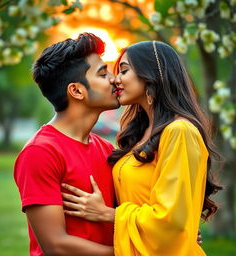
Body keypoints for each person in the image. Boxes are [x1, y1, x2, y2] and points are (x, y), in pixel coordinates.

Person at [61, 41, 222, 256]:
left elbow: (171, 220)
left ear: (152, 74)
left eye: (124, 70)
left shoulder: (179, 131)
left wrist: (109, 215)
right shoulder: (139, 136)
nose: (116, 79)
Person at [14, 33, 120, 256]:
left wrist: (162, 235)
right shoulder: (40, 152)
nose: (114, 79)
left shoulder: (106, 149)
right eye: (103, 73)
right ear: (76, 90)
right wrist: (137, 252)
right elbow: (56, 246)